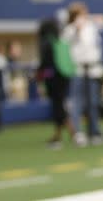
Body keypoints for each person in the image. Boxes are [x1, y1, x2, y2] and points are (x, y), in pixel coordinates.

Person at [63, 2, 103, 146]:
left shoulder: (90, 26)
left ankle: (94, 132)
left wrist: (89, 19)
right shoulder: (70, 29)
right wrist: (77, 27)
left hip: (93, 69)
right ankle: (78, 133)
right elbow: (66, 39)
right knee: (77, 102)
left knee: (93, 102)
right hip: (79, 70)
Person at [37, 18, 76, 148]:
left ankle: (71, 134)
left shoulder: (46, 42)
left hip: (53, 78)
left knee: (58, 107)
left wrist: (40, 76)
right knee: (60, 106)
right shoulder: (58, 41)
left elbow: (45, 64)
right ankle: (62, 135)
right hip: (64, 76)